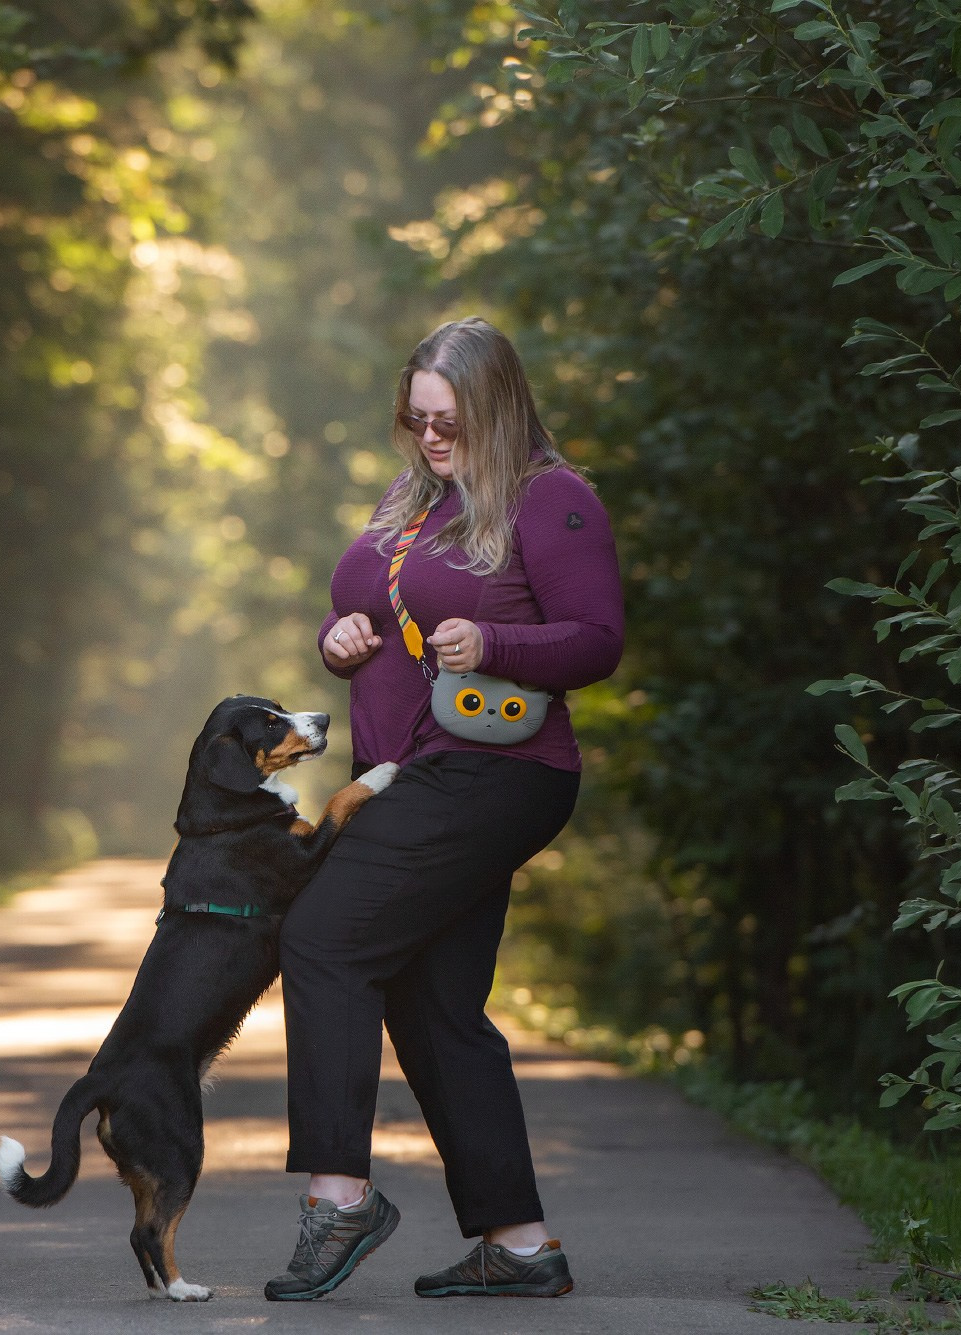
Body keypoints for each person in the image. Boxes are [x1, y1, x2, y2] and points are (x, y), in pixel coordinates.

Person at [264, 316, 624, 1302]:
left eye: (449, 422)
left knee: (324, 940)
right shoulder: (418, 499)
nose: (430, 438)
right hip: (410, 773)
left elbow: (596, 641)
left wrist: (495, 647)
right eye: (417, 419)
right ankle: (519, 1245)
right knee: (435, 1007)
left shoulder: (550, 500)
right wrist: (339, 640)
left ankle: (337, 1200)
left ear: (497, 407)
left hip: (493, 775)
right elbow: (370, 613)